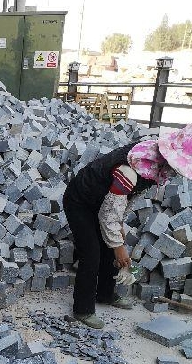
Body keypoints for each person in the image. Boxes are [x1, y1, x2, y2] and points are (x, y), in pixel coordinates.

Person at [63, 124, 192, 329]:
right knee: (91, 253)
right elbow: (108, 214)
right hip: (80, 201)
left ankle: (105, 294)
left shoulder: (154, 165)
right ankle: (83, 309)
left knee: (109, 249)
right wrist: (119, 247)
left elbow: (128, 198)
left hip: (103, 201)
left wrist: (120, 224)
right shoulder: (132, 167)